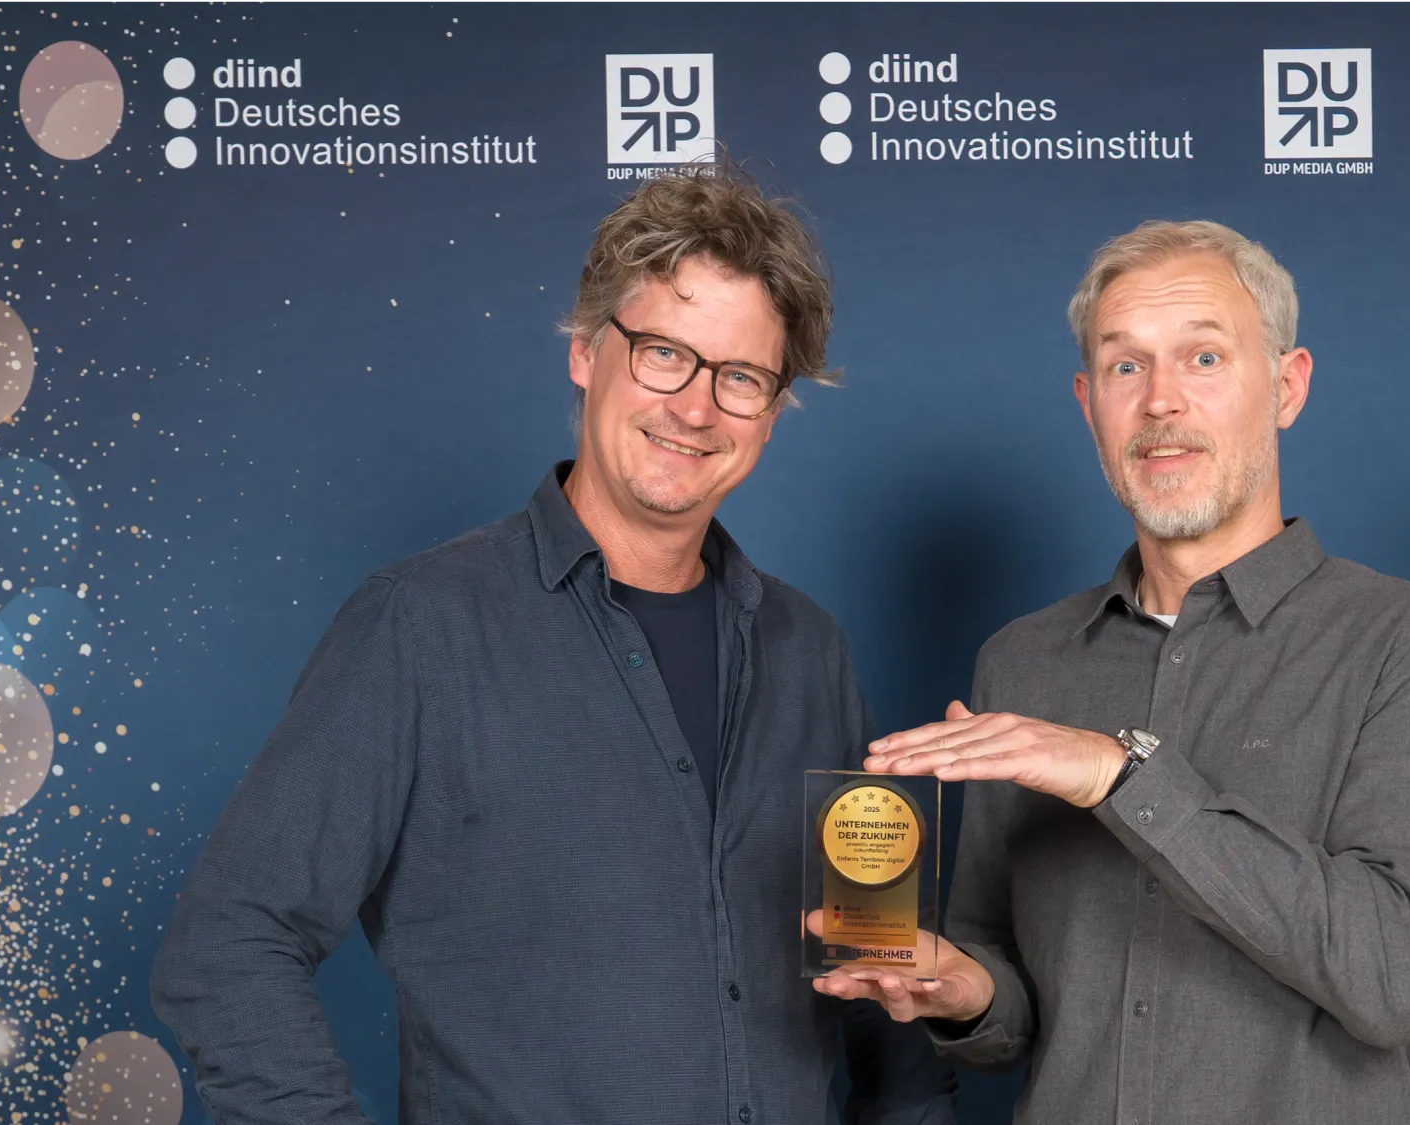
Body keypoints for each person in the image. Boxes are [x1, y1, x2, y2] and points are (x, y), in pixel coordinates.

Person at [152, 164, 956, 1125]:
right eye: (664, 353)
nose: (695, 408)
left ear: (773, 411)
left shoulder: (808, 649)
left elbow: (877, 989)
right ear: (585, 350)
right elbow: (230, 944)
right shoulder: (421, 626)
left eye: (741, 377)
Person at [817, 220, 1410, 1124]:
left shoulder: (1406, 641)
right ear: (1088, 402)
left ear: (1287, 387)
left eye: (1204, 358)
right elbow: (1011, 1007)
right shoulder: (1021, 661)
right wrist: (965, 991)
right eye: (1126, 366)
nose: (1161, 400)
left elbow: (1391, 977)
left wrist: (1120, 775)